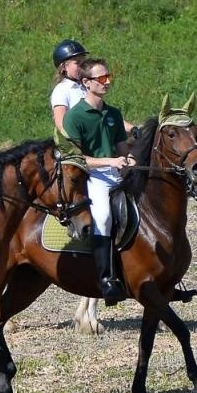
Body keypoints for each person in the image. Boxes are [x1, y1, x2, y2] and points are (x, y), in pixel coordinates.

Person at [63, 57, 135, 304]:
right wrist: (111, 162)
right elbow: (77, 157)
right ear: (86, 82)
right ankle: (106, 279)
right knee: (103, 217)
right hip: (93, 176)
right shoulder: (74, 117)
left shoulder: (113, 113)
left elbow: (122, 147)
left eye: (109, 77)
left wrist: (128, 160)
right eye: (101, 78)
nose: (107, 82)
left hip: (117, 172)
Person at [49, 39, 88, 137]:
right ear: (64, 67)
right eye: (78, 62)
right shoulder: (61, 90)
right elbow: (62, 125)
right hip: (77, 145)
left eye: (84, 62)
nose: (83, 66)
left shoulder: (87, 86)